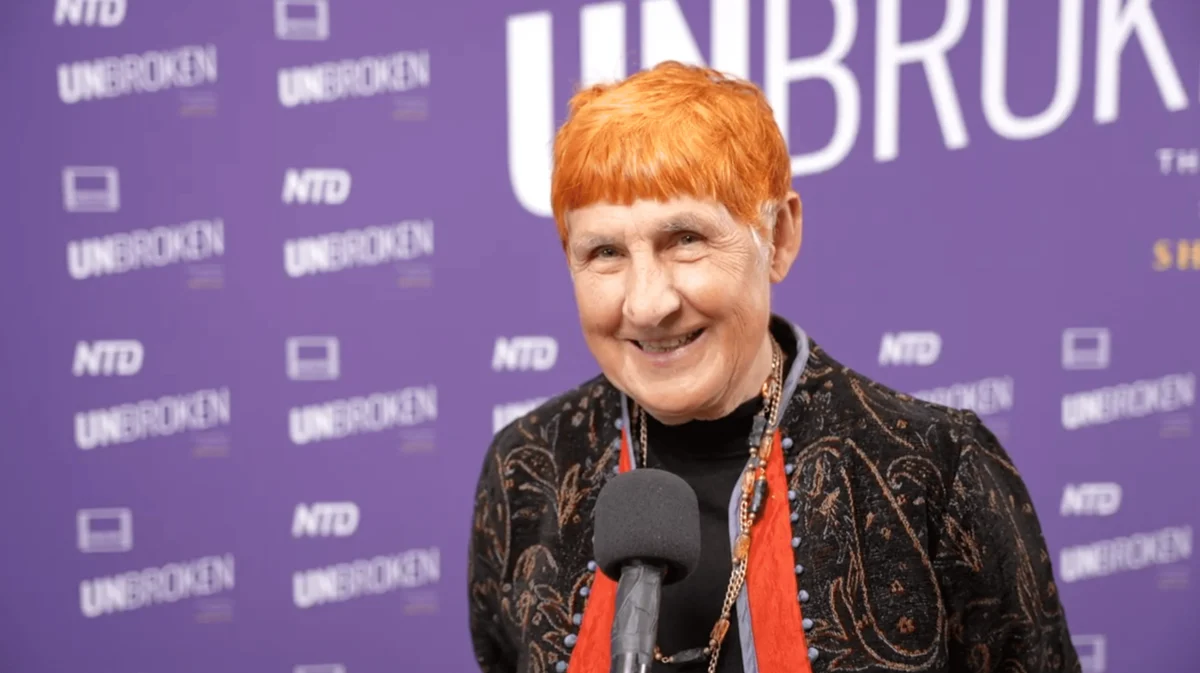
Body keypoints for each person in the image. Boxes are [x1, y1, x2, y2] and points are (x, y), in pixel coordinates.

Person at [468, 61, 1079, 673]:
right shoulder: (530, 466)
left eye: (685, 239)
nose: (647, 303)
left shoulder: (934, 469)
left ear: (779, 236)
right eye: (604, 252)